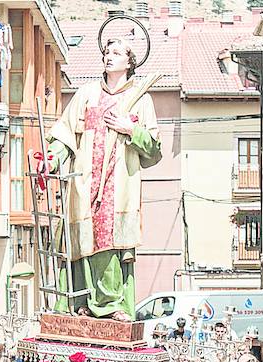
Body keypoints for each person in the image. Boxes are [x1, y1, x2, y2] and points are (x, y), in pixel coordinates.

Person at [44, 36, 161, 320]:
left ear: (130, 62)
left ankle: (112, 305)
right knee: (82, 239)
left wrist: (130, 130)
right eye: (107, 51)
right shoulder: (86, 93)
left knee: (110, 239)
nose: (109, 56)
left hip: (118, 185)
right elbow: (65, 133)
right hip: (84, 181)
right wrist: (52, 157)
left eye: (117, 52)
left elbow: (154, 149)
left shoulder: (141, 100)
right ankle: (80, 301)